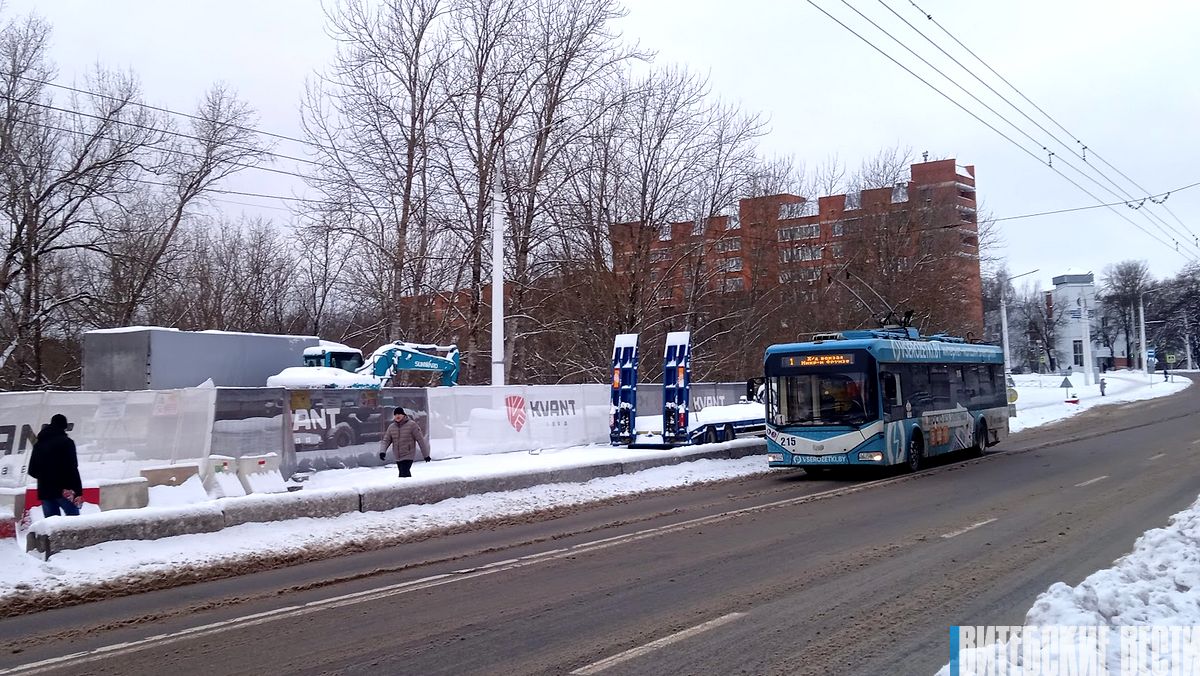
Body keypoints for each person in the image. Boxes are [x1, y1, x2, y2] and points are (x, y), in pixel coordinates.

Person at [26, 413, 83, 517]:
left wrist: (46, 478)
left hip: (45, 491)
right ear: (64, 426)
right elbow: (73, 468)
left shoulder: (39, 444)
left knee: (52, 524)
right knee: (74, 522)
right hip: (65, 490)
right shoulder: (67, 443)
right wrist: (78, 492)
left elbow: (32, 470)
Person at [378, 407, 431, 478]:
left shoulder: (412, 425)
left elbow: (420, 440)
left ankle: (407, 484)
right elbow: (386, 440)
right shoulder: (391, 427)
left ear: (403, 415)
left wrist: (426, 455)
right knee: (403, 474)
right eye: (395, 414)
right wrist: (382, 452)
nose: (397, 416)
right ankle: (409, 484)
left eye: (399, 414)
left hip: (408, 454)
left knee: (404, 473)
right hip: (397, 456)